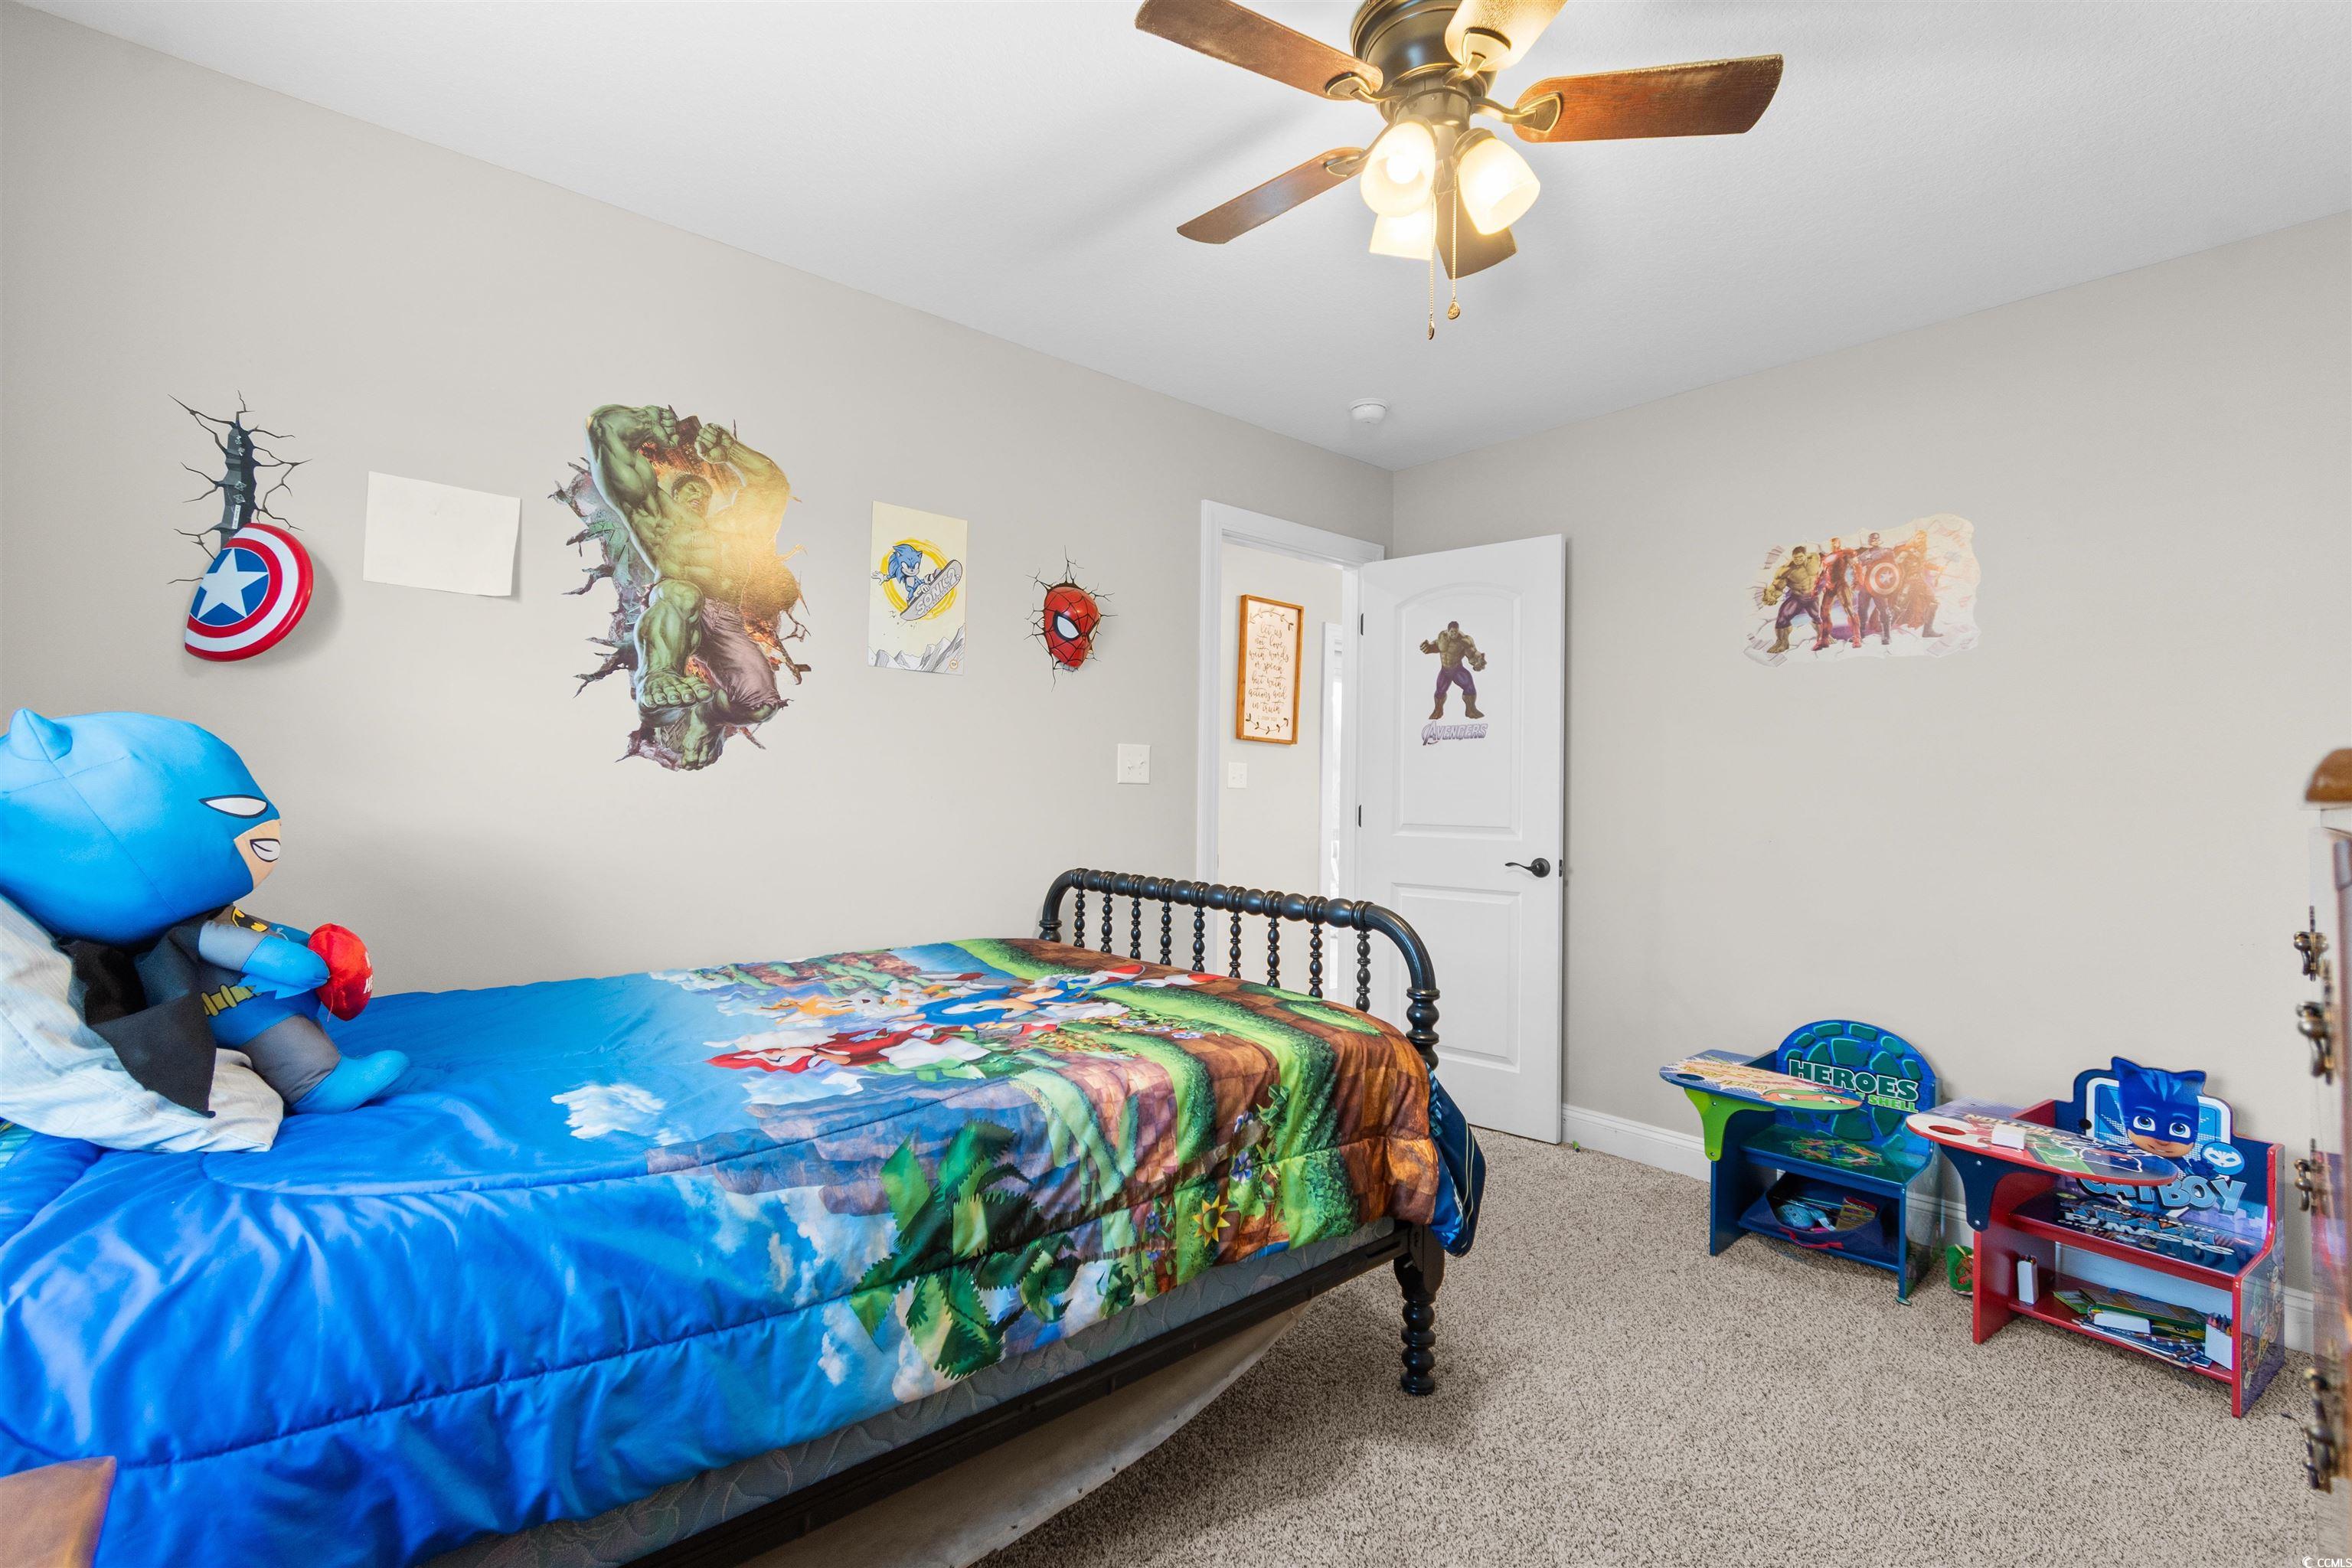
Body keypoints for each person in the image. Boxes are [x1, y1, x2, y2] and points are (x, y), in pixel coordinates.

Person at [1762, 544, 1824, 655]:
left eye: (1801, 557)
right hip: (1798, 598)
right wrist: (1770, 595)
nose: (1798, 560)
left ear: (1805, 555)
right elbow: (1776, 586)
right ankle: (1782, 642)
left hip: (1813, 597)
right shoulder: (1787, 570)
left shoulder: (1814, 558)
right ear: (1792, 557)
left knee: (1816, 617)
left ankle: (1824, 637)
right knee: (1782, 619)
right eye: (1796, 558)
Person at [1419, 622, 1487, 719]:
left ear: (1458, 630)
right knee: (1439, 691)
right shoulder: (1442, 637)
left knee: (1469, 687)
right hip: (1445, 671)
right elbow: (1437, 646)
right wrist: (1429, 647)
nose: (1454, 634)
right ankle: (1438, 711)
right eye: (1452, 632)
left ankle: (1471, 710)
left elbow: (1473, 654)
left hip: (1457, 670)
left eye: (1456, 632)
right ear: (1448, 631)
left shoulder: (1464, 641)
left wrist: (1479, 661)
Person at [1814, 536, 1860, 649]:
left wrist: (1857, 580)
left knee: (1849, 608)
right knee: (1824, 611)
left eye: (1836, 541)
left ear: (1839, 542)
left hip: (1841, 584)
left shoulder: (1844, 554)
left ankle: (1857, 638)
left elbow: (1856, 566)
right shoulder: (1827, 558)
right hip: (1830, 586)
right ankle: (1824, 639)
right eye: (1832, 542)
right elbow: (1821, 574)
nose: (1834, 544)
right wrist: (1815, 588)